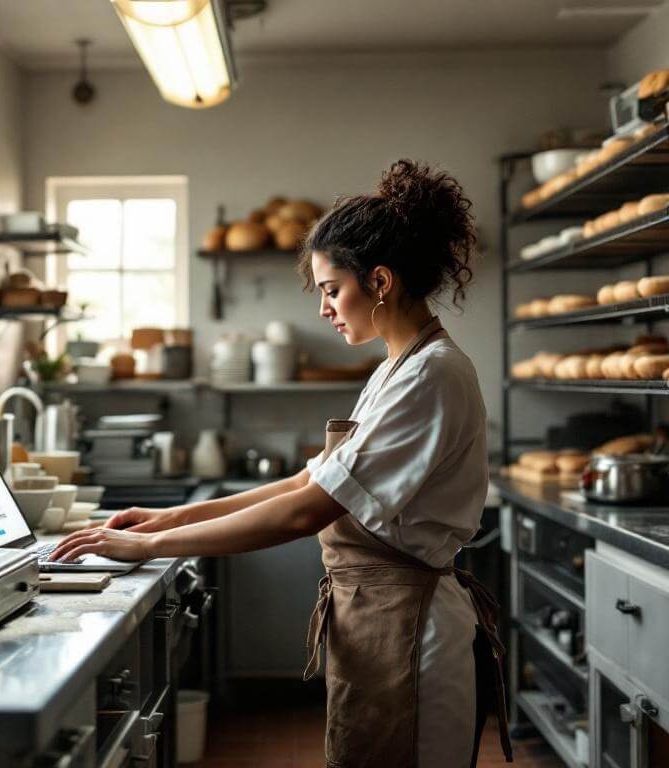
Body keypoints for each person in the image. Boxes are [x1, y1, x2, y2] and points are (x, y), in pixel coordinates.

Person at [49, 159, 511, 767]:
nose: (323, 309)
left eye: (330, 289)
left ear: (379, 281)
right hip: (380, 621)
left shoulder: (433, 375)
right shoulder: (396, 369)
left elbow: (306, 511)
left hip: (410, 629)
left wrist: (152, 550)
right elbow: (306, 480)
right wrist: (164, 521)